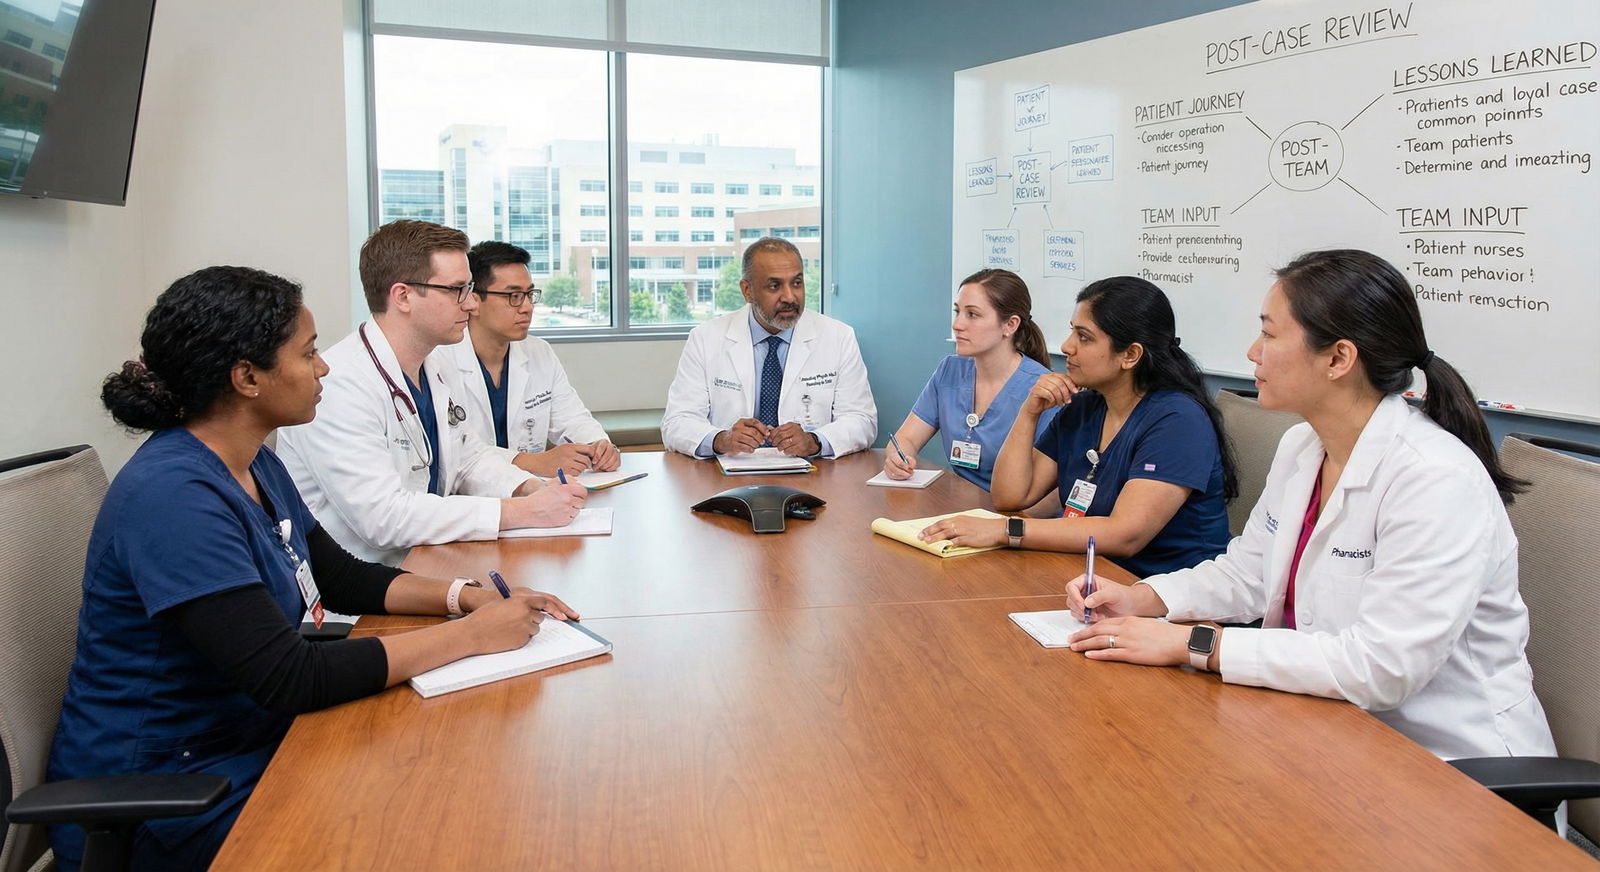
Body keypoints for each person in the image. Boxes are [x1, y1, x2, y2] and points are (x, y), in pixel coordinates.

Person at [47, 266, 580, 872]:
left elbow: (342, 576)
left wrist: (462, 597)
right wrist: (469, 639)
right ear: (246, 377)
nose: (324, 367)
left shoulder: (255, 464)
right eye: (307, 354)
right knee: (432, 826)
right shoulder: (173, 496)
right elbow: (289, 677)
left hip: (254, 740)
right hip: (174, 790)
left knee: (452, 780)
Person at [1065, 249, 1556, 762]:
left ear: (1338, 359)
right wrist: (1143, 598)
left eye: (1270, 334)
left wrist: (1193, 645)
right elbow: (1248, 573)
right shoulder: (1304, 445)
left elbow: (1382, 668)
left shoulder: (1434, 477)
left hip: (1447, 762)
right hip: (1322, 729)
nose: (1253, 351)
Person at [278, 221, 586, 565]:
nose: (471, 305)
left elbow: (467, 457)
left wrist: (529, 487)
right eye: (457, 290)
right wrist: (517, 512)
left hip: (429, 563)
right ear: (403, 296)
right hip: (361, 595)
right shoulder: (340, 384)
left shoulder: (434, 364)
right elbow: (384, 518)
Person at [919, 276, 1236, 578]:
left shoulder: (1178, 421)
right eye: (1072, 331)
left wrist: (1004, 531)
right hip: (1086, 575)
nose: (1067, 346)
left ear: (1130, 355)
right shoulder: (1083, 407)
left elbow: (1125, 536)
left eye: (1084, 337)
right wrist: (1028, 412)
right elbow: (1010, 497)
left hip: (1165, 595)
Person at [662, 237, 877, 459]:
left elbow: (862, 420)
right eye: (774, 286)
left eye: (797, 283)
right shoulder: (705, 339)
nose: (789, 297)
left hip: (811, 473)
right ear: (747, 291)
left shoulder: (839, 337)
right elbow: (677, 422)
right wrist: (721, 439)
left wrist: (814, 441)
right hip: (729, 475)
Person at [445, 240, 620, 478]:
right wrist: (531, 462)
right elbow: (455, 451)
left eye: (529, 294)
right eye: (514, 296)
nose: (527, 307)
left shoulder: (539, 352)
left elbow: (571, 417)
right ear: (473, 300)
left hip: (535, 493)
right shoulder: (440, 359)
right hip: (469, 501)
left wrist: (597, 445)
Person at [882, 268, 1058, 490]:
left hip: (1008, 514)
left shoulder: (1043, 389)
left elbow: (1045, 492)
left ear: (1010, 325)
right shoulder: (949, 370)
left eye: (972, 314)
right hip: (957, 503)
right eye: (958, 312)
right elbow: (904, 439)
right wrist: (898, 459)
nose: (957, 324)